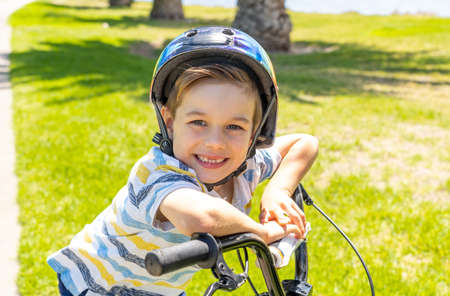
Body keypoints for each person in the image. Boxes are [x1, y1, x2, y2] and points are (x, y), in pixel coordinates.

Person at [47, 26, 319, 296]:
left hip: (160, 287)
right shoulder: (157, 174)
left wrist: (277, 191)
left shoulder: (245, 168)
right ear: (170, 122)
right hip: (98, 284)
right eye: (198, 122)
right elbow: (203, 216)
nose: (215, 142)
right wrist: (264, 231)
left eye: (234, 127)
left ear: (256, 132)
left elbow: (304, 143)